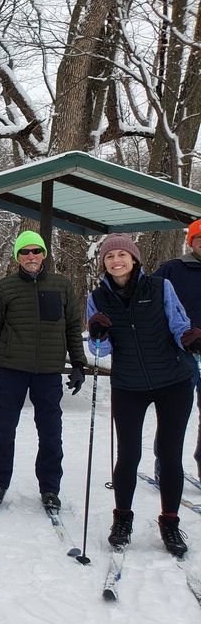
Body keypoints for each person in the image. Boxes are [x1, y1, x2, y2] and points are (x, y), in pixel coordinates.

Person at [87, 234, 201, 557]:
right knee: (128, 455)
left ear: (134, 259)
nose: (116, 261)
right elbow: (100, 349)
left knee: (169, 454)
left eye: (122, 254)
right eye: (109, 257)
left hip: (173, 381)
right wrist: (98, 333)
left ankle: (170, 521)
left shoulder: (160, 287)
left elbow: (180, 326)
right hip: (129, 385)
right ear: (104, 263)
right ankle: (122, 520)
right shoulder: (97, 298)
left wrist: (191, 339)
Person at [0, 230, 86, 511]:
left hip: (49, 371)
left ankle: (50, 488)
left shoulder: (62, 285)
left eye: (35, 251)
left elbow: (73, 327)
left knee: (51, 432)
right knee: (5, 430)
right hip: (12, 368)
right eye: (24, 252)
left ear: (43, 255)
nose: (30, 257)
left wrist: (78, 364)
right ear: (17, 257)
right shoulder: (5, 288)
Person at [152, 217, 201, 479]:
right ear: (190, 241)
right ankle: (165, 466)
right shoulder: (173, 269)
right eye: (199, 239)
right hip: (180, 353)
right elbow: (147, 301)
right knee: (175, 413)